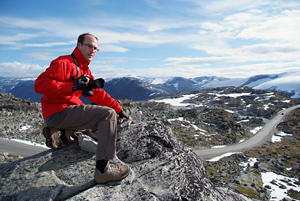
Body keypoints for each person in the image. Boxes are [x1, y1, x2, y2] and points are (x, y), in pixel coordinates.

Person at [34, 33, 132, 184]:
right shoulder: (64, 63)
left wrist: (120, 110)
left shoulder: (84, 69)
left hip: (67, 111)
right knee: (107, 116)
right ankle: (103, 170)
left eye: (95, 48)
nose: (93, 50)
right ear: (79, 45)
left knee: (103, 116)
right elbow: (39, 85)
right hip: (58, 111)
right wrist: (71, 86)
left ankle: (63, 135)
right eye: (89, 46)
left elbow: (99, 96)